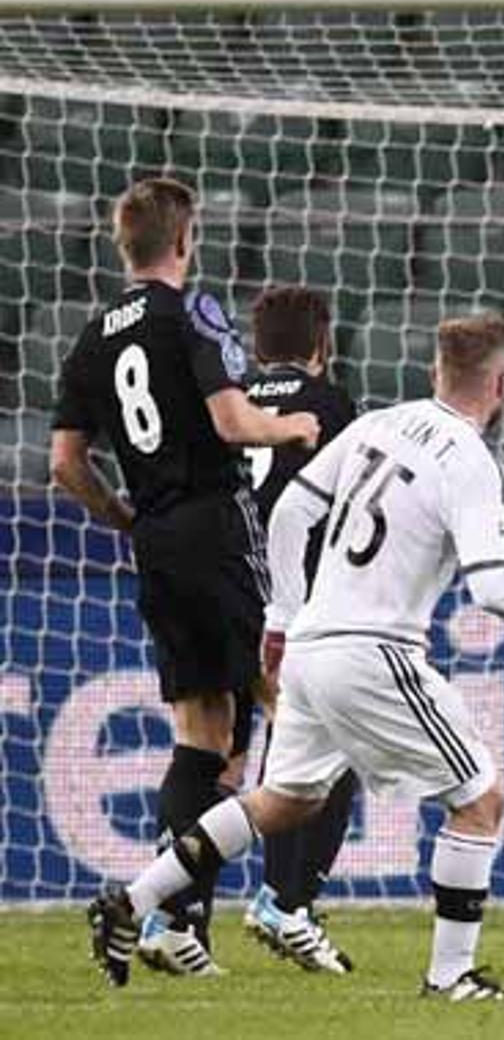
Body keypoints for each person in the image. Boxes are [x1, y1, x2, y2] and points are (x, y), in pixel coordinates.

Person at [87, 312, 504, 1002]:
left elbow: (290, 512)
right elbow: (495, 587)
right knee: (480, 802)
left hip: (313, 645)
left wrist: (284, 615)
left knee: (282, 802)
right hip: (374, 651)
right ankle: (451, 977)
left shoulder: (379, 423)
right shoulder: (473, 462)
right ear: (501, 383)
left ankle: (131, 903)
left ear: (436, 372)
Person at [51, 178, 319, 975]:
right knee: (293, 697)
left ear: (121, 244)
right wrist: (293, 423)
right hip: (216, 522)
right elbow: (234, 421)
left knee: (203, 736)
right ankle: (281, 901)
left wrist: (122, 516)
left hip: (157, 539)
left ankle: (171, 923)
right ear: (184, 239)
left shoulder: (92, 336)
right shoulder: (193, 312)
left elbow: (66, 462)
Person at [233, 285, 361, 974]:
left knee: (218, 759)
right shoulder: (332, 405)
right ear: (321, 344)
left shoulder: (228, 398)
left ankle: (175, 913)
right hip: (300, 605)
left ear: (257, 345)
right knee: (322, 754)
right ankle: (287, 902)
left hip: (226, 589)